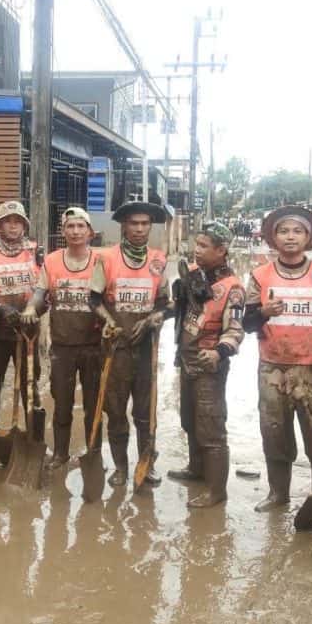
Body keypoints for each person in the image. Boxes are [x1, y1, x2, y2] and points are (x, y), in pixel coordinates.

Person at [242, 205, 312, 529]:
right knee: (274, 434)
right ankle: (279, 494)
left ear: (308, 237)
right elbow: (246, 324)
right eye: (284, 231)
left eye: (297, 231)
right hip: (272, 369)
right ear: (273, 237)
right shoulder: (260, 276)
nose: (290, 237)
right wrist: (263, 312)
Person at [89, 201, 170, 486]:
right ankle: (121, 467)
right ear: (123, 226)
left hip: (146, 348)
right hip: (116, 348)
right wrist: (108, 321)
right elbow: (93, 300)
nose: (139, 229)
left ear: (150, 226)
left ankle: (146, 464)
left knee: (145, 412)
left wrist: (152, 320)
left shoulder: (159, 260)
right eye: (133, 223)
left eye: (144, 224)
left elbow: (165, 305)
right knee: (115, 409)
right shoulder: (107, 258)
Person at [168, 221, 244, 507]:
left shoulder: (233, 288)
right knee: (189, 420)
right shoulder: (195, 276)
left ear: (221, 250)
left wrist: (219, 353)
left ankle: (216, 491)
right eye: (195, 244)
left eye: (203, 246)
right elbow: (183, 313)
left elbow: (236, 330)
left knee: (211, 428)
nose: (195, 250)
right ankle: (195, 468)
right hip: (186, 360)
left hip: (209, 365)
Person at [21, 207, 103, 467]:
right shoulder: (53, 261)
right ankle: (60, 453)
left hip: (94, 345)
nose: (76, 231)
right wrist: (31, 308)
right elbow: (40, 292)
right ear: (63, 231)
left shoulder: (102, 261)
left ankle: (93, 453)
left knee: (94, 403)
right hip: (62, 346)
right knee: (62, 400)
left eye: (81, 226)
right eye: (71, 226)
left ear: (90, 232)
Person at [0, 201, 40, 458]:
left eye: (17, 221)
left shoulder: (37, 252)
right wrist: (0, 309)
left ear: (24, 225)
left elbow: (46, 289)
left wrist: (34, 311)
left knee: (29, 385)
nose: (13, 226)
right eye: (7, 221)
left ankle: (34, 439)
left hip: (29, 331)